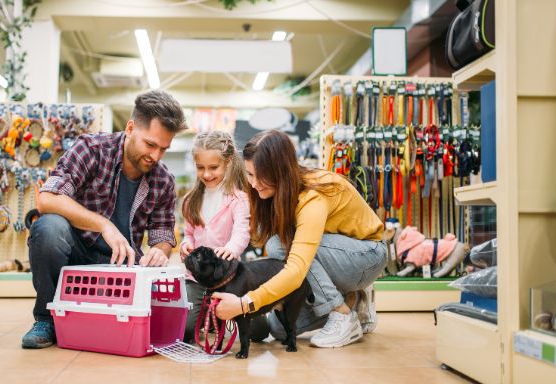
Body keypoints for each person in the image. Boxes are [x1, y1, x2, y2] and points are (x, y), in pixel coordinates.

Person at [22, 90, 187, 349]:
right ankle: (46, 318)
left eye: (163, 149)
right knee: (48, 228)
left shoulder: (163, 180)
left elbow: (164, 234)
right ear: (131, 128)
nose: (155, 156)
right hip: (75, 255)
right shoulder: (92, 149)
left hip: (120, 266)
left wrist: (159, 251)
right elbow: (47, 199)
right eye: (150, 144)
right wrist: (103, 224)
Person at [212, 130, 386, 348]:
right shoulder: (275, 193)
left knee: (281, 244)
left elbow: (296, 270)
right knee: (279, 328)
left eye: (261, 175)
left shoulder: (312, 197)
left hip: (367, 256)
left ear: (280, 170)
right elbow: (257, 239)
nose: (254, 183)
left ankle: (340, 313)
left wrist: (245, 304)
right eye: (250, 174)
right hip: (336, 259)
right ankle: (353, 300)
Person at [179, 131, 250, 344]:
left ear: (228, 162)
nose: (207, 174)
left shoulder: (238, 199)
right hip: (197, 279)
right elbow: (189, 233)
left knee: (258, 331)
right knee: (187, 329)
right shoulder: (192, 199)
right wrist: (186, 244)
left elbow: (242, 231)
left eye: (213, 168)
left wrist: (232, 248)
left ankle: (218, 315)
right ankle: (207, 315)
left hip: (228, 278)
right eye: (200, 168)